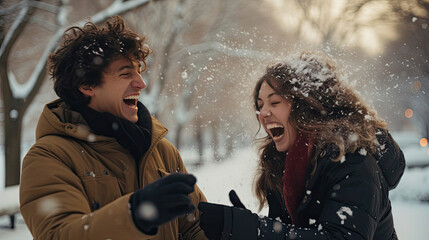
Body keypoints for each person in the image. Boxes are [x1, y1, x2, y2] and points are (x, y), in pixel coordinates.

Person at [19, 16, 208, 240]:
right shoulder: (50, 157)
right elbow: (58, 234)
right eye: (126, 73)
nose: (141, 82)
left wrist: (233, 228)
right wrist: (132, 216)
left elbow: (193, 227)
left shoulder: (161, 151)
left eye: (138, 71)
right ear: (87, 85)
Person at [198, 52, 406, 240]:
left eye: (274, 102)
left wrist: (246, 228)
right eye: (260, 106)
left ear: (305, 106)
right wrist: (245, 227)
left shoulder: (353, 161)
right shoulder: (284, 166)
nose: (263, 113)